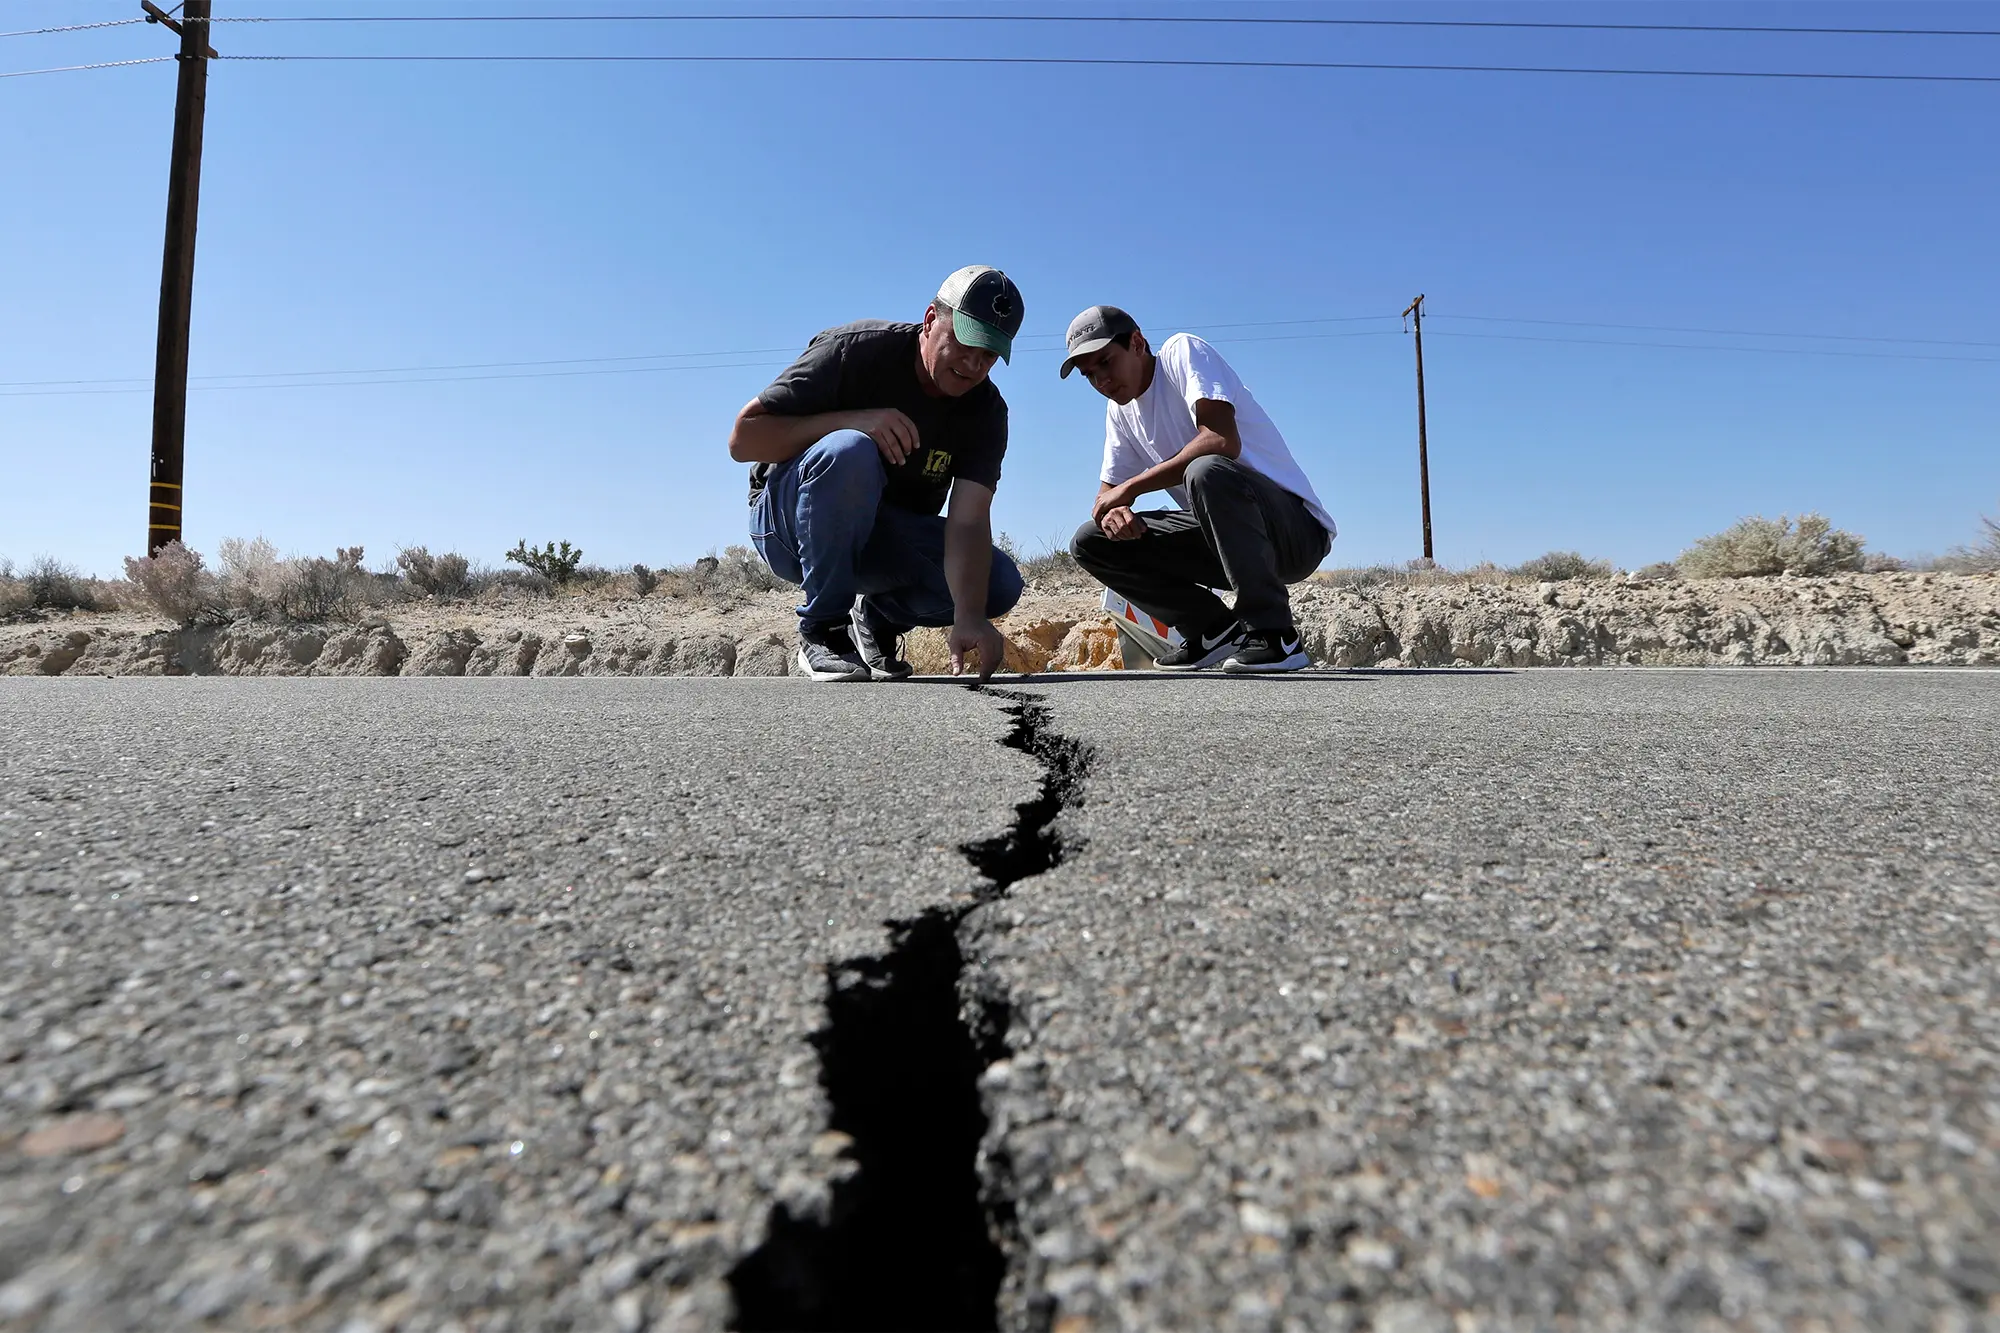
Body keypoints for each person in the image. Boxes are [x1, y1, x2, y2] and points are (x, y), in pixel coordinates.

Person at [730, 266, 1027, 681]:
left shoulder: (986, 412)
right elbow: (743, 440)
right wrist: (854, 421)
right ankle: (824, 629)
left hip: (881, 536)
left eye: (989, 355)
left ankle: (878, 619)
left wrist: (970, 616)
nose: (974, 365)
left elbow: (969, 520)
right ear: (930, 320)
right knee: (850, 451)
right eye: (965, 343)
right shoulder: (856, 351)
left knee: (997, 584)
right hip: (787, 525)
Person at [1061, 305, 1335, 673]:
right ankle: (1212, 631)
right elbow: (1106, 496)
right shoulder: (1121, 412)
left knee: (1206, 470)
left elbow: (1221, 441)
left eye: (1106, 363)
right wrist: (1114, 513)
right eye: (1089, 375)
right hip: (1228, 543)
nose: (1101, 382)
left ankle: (1275, 635)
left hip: (1295, 535)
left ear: (1138, 343)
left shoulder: (1182, 353)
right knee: (1091, 541)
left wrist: (1131, 489)